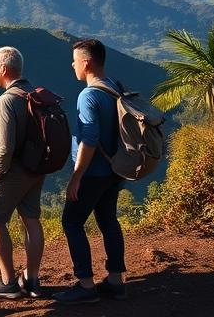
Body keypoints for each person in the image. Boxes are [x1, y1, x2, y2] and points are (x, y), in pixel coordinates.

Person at [55, 38, 128, 304]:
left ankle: (85, 285)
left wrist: (76, 176)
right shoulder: (114, 87)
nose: (72, 64)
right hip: (115, 170)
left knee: (72, 222)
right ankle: (116, 281)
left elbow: (89, 138)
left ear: (86, 63)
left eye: (75, 60)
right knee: (108, 221)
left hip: (94, 173)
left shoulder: (88, 95)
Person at [0, 46, 46, 299]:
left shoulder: (7, 100)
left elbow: (5, 145)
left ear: (4, 69)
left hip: (12, 172)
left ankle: (7, 281)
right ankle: (32, 280)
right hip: (36, 169)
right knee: (31, 220)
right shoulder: (34, 94)